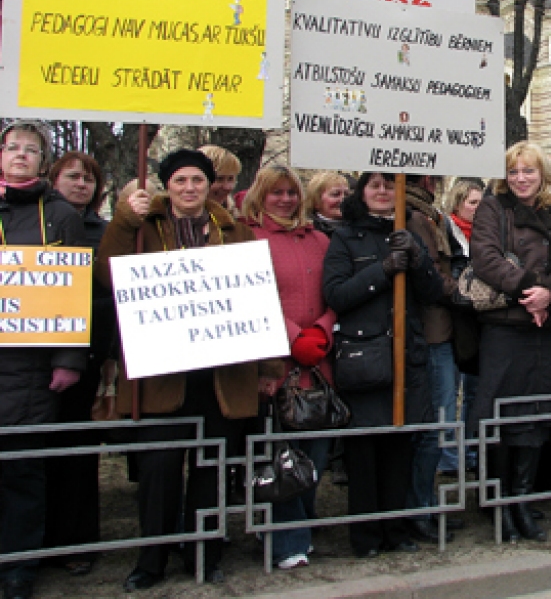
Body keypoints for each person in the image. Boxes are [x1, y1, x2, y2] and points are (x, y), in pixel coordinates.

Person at [96, 149, 274, 590]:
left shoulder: (234, 233)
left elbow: (259, 299)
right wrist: (123, 221)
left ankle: (204, 553)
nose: (190, 188)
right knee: (159, 472)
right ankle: (151, 560)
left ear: (208, 184)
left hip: (222, 376)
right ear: (167, 186)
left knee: (212, 471)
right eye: (180, 181)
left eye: (197, 179)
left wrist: (268, 366)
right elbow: (108, 274)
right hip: (162, 377)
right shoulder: (143, 228)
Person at [322, 172, 442, 558]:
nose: (382, 192)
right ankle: (366, 536)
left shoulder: (409, 233)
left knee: (399, 448)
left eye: (389, 186)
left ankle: (396, 529)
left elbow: (433, 292)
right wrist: (383, 270)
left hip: (406, 357)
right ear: (361, 193)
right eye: (374, 185)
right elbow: (336, 293)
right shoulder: (345, 237)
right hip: (366, 357)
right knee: (365, 452)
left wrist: (418, 258)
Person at [467, 142, 551, 543]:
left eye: (528, 171)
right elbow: (485, 258)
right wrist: (532, 291)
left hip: (545, 332)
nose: (520, 178)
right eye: (514, 171)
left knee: (534, 419)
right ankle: (497, 505)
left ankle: (522, 501)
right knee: (501, 420)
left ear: (542, 174)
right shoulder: (493, 209)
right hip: (506, 328)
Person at [0, 121, 87, 599]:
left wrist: (68, 359)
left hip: (32, 367)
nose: (20, 155)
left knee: (22, 470)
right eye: (12, 147)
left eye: (30, 150)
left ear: (42, 160)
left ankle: (18, 567)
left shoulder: (59, 216)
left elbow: (72, 295)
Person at [241, 166, 336, 570]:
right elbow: (252, 298)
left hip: (319, 364)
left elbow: (335, 292)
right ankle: (286, 540)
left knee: (314, 454)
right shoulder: (248, 239)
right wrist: (292, 335)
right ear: (261, 195)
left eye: (291, 192)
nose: (285, 199)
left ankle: (304, 526)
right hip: (276, 365)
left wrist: (322, 331)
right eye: (276, 193)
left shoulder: (320, 239)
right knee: (283, 458)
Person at [44, 151, 114, 575]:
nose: (81, 184)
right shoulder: (29, 226)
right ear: (53, 180)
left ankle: (77, 543)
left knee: (78, 456)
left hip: (87, 354)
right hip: (31, 360)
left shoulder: (102, 233)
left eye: (89, 179)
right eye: (72, 176)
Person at [403, 174, 461, 544]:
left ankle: (422, 503)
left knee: (435, 425)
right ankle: (417, 509)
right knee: (430, 426)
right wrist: (461, 285)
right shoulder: (412, 216)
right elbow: (431, 276)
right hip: (428, 333)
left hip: (437, 331)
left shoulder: (428, 213)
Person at [440, 180, 484, 473]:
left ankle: (470, 451)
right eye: (472, 203)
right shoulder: (446, 230)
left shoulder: (486, 236)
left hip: (476, 323)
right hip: (449, 321)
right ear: (457, 204)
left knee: (474, 392)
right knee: (447, 392)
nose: (478, 209)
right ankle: (447, 458)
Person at [198, 145, 241, 214]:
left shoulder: (234, 216)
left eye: (230, 179)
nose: (227, 187)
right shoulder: (180, 220)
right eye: (219, 179)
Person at [304, 171, 348, 236]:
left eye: (347, 194)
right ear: (316, 201)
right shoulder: (306, 231)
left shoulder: (359, 228)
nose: (344, 199)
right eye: (335, 194)